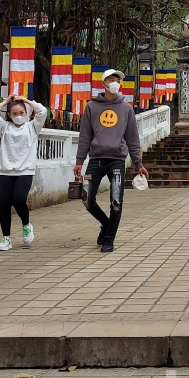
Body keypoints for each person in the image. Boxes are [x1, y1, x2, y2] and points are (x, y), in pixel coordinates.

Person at [73, 69, 150, 253]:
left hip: (116, 161)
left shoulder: (126, 108)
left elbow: (133, 139)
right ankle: (107, 225)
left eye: (117, 80)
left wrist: (139, 163)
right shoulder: (91, 106)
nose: (114, 82)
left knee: (116, 201)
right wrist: (79, 161)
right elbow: (85, 136)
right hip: (96, 159)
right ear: (103, 83)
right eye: (111, 79)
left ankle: (109, 238)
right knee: (86, 198)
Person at [0, 93, 48, 251]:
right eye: (14, 113)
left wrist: (26, 101)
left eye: (21, 112)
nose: (18, 116)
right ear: (9, 114)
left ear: (26, 113)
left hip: (25, 170)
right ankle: (6, 238)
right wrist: (6, 102)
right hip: (5, 171)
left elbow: (43, 111)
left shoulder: (33, 127)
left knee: (19, 199)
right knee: (4, 204)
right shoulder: (4, 127)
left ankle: (26, 225)